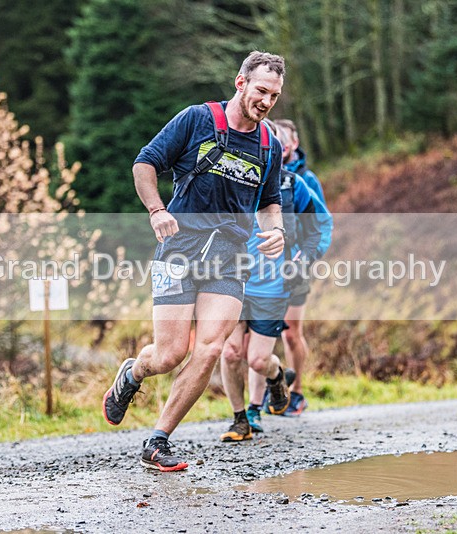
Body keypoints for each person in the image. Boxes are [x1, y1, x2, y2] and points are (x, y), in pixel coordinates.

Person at [102, 51, 286, 472]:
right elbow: (145, 163)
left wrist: (276, 230)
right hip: (179, 249)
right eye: (260, 91)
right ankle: (132, 375)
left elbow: (271, 202)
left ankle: (157, 441)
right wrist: (156, 210)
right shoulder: (197, 119)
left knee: (209, 349)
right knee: (167, 356)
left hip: (230, 258)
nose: (265, 101)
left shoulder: (269, 146)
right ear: (240, 83)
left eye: (274, 96)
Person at [219, 119, 327, 442]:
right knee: (230, 353)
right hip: (232, 281)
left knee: (258, 358)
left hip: (272, 285)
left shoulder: (294, 185)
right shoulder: (234, 178)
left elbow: (319, 226)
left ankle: (278, 376)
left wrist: (304, 258)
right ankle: (242, 417)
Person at [256, 119, 332, 417]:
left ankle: (297, 391)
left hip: (295, 264)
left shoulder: (304, 180)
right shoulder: (256, 174)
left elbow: (320, 223)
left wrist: (307, 256)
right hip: (261, 268)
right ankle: (269, 390)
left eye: (284, 141)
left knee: (290, 333)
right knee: (259, 335)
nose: (280, 145)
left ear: (292, 144)